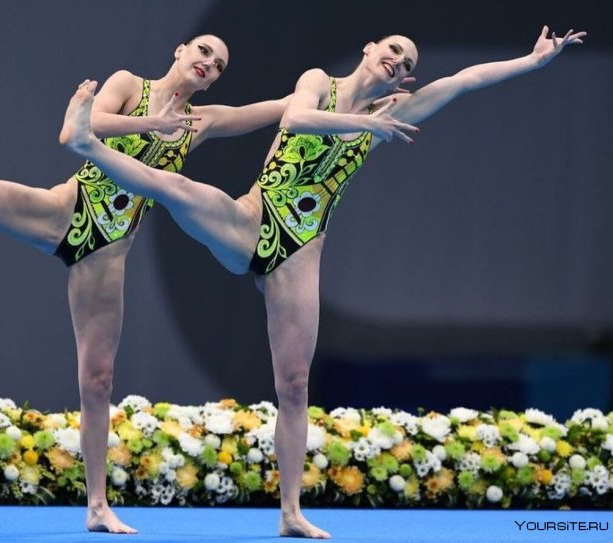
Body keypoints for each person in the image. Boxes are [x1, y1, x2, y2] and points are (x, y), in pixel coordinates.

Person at [58, 26, 586, 538]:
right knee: (177, 187)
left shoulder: (393, 112)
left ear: (403, 81)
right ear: (369, 49)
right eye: (394, 51)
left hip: (300, 252)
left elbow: (464, 80)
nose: (399, 63)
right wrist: (366, 127)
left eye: (408, 66)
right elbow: (298, 118)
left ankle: (290, 512)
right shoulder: (319, 82)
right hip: (251, 222)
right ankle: (90, 144)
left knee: (293, 385)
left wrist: (530, 61)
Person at [0, 34, 292, 534]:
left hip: (109, 253)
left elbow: (281, 107)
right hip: (64, 212)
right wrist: (152, 122)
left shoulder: (201, 121)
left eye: (219, 65)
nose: (209, 64)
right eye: (203, 52)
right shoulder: (128, 84)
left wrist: (363, 98)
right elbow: (79, 127)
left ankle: (96, 507)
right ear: (180, 51)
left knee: (97, 382)